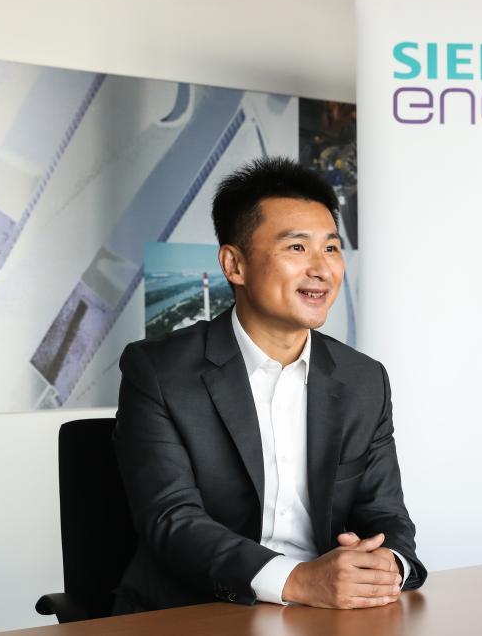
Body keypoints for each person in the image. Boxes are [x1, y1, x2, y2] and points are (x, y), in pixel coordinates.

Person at [112, 157, 425, 613]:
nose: (322, 269)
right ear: (234, 264)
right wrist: (297, 580)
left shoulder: (363, 379)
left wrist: (387, 565)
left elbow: (385, 514)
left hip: (323, 614)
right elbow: (172, 520)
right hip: (195, 609)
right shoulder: (159, 371)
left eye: (331, 248)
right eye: (297, 248)